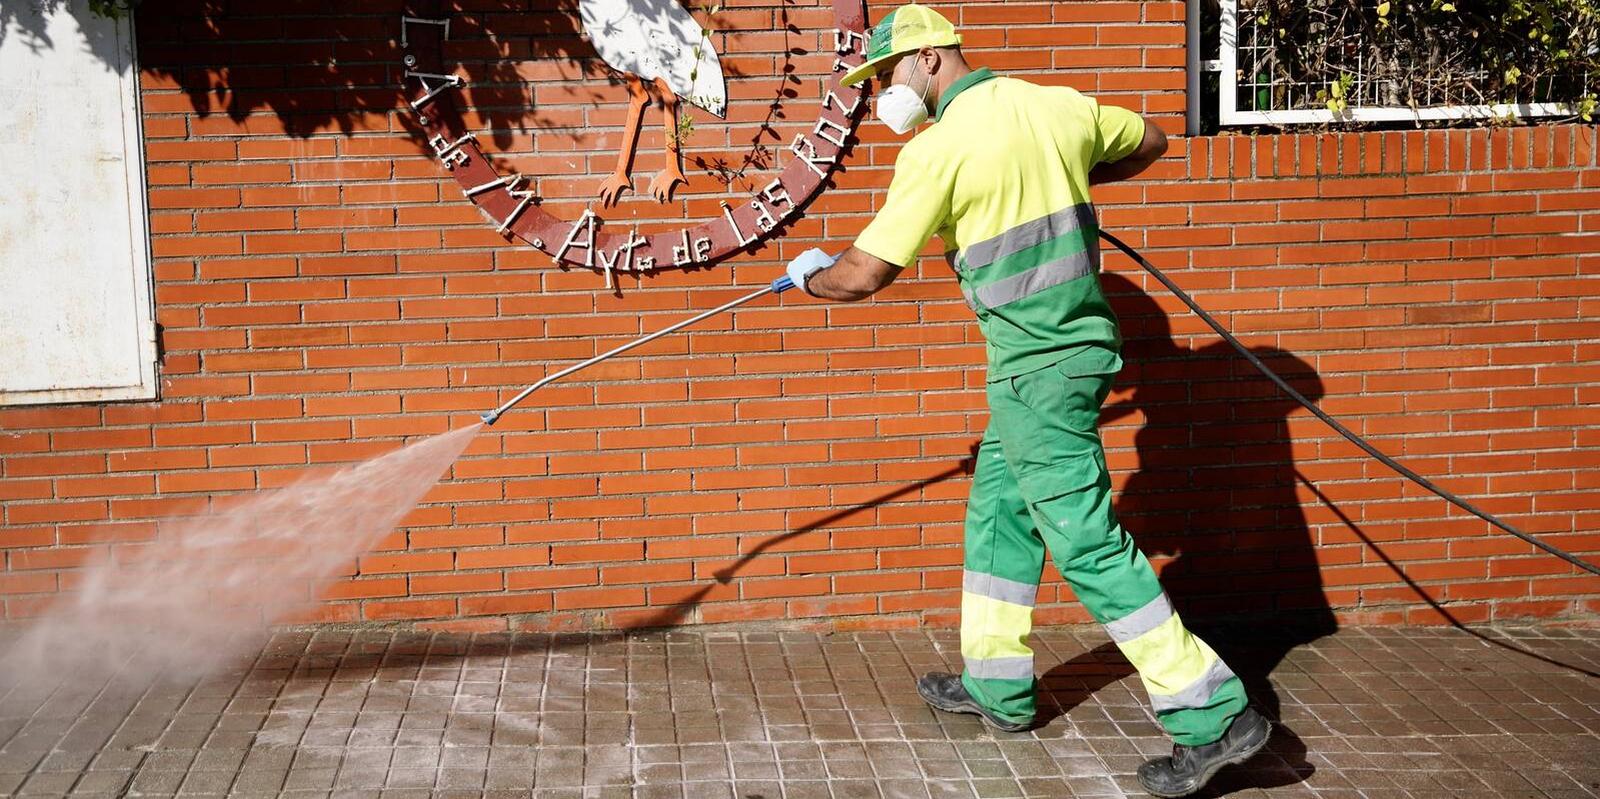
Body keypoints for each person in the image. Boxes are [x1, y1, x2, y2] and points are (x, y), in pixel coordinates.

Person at [784, 5, 1271, 797]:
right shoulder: (1055, 106)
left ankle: (1213, 715)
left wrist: (809, 276)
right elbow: (1150, 139)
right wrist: (1073, 170)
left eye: (886, 74)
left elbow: (864, 274)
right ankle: (998, 683)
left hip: (1036, 372)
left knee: (1088, 543)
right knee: (999, 513)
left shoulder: (937, 152)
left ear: (931, 57)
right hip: (1064, 363)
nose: (882, 94)